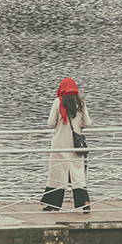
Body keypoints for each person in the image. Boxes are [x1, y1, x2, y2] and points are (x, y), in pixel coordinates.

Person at [40, 77, 92, 212]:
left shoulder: (58, 102)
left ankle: (53, 204)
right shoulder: (81, 102)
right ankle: (84, 202)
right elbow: (87, 123)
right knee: (77, 174)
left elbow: (51, 123)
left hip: (60, 144)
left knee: (57, 173)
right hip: (75, 144)